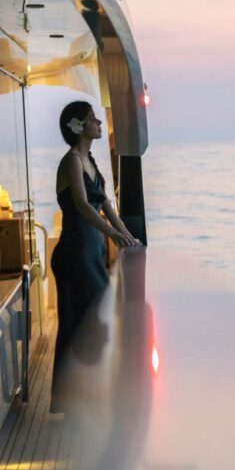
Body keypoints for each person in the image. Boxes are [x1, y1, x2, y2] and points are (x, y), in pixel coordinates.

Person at [50, 101, 141, 414]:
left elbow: (106, 206)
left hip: (91, 252)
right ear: (78, 126)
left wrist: (127, 236)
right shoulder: (72, 161)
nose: (99, 123)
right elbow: (82, 205)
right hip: (74, 253)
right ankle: (74, 396)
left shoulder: (89, 160)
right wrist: (114, 236)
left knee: (94, 321)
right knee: (81, 322)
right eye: (92, 119)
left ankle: (87, 391)